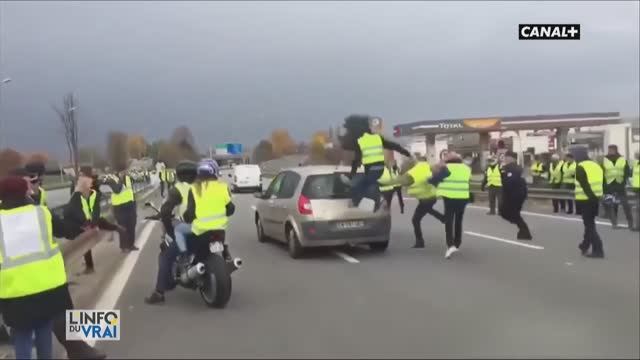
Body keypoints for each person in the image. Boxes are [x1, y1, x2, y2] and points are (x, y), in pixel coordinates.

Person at [0, 176, 73, 359]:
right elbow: (66, 230)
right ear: (25, 192)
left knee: (22, 335)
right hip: (47, 287)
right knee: (43, 330)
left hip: (14, 291)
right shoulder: (42, 213)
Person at [145, 159, 235, 304]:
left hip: (196, 230)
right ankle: (225, 256)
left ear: (178, 175)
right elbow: (230, 208)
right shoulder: (216, 187)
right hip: (219, 231)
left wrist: (170, 230)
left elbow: (168, 210)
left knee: (166, 256)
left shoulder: (181, 189)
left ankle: (159, 292)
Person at [64, 166, 123, 274]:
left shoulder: (92, 186)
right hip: (82, 216)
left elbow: (95, 205)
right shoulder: (80, 184)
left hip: (86, 217)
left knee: (85, 241)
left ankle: (89, 267)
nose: (80, 176)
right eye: (80, 174)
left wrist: (92, 223)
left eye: (82, 174)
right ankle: (116, 228)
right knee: (99, 223)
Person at [346, 116, 412, 211]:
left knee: (359, 184)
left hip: (372, 169)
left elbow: (356, 161)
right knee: (368, 184)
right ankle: (372, 201)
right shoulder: (377, 138)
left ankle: (361, 202)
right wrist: (405, 152)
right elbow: (392, 145)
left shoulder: (360, 141)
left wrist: (352, 175)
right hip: (379, 168)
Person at [380, 155, 444, 248]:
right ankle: (421, 240)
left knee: (416, 219)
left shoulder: (414, 171)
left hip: (426, 198)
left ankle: (421, 241)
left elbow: (399, 180)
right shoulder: (427, 167)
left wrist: (381, 182)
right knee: (422, 213)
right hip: (429, 197)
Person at [429, 152, 472, 259]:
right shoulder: (466, 168)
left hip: (449, 198)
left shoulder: (446, 168)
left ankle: (450, 244)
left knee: (449, 221)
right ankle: (457, 243)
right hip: (463, 197)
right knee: (459, 220)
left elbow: (434, 180)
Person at [573, 148, 605, 258]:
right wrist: (598, 196)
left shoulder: (580, 167)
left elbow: (584, 185)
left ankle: (598, 249)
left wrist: (591, 197)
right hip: (595, 198)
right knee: (590, 223)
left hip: (586, 199)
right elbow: (603, 181)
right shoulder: (596, 165)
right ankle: (585, 245)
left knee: (589, 225)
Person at [104, 168, 139, 252]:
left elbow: (131, 188)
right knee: (123, 226)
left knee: (132, 224)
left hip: (130, 204)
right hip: (119, 206)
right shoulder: (112, 178)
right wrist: (121, 178)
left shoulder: (127, 176)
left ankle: (131, 244)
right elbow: (117, 190)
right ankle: (124, 247)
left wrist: (134, 202)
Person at [499, 151, 532, 240]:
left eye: (506, 157)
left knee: (507, 212)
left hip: (515, 195)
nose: (505, 159)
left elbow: (510, 181)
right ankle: (523, 231)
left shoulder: (514, 168)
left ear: (512, 158)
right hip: (514, 194)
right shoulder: (507, 168)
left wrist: (503, 176)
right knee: (509, 213)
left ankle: (525, 231)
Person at [602, 145, 633, 229]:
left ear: (615, 150)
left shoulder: (622, 159)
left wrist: (624, 180)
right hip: (609, 185)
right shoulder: (604, 160)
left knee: (625, 205)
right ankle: (614, 224)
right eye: (609, 150)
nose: (610, 151)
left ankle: (630, 224)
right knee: (610, 205)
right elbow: (601, 173)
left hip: (620, 185)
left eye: (612, 150)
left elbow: (627, 171)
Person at [631, 151, 639, 231]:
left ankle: (637, 226)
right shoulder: (635, 164)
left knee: (637, 208)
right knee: (637, 208)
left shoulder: (635, 164)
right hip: (637, 189)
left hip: (637, 188)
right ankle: (637, 226)